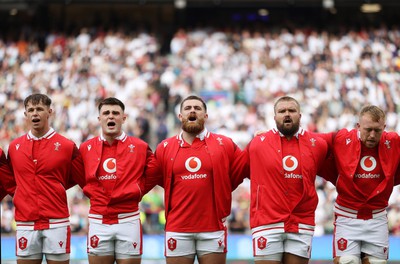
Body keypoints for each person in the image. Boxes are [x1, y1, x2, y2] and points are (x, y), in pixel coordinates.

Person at [145, 95, 246, 264]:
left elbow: (242, 170)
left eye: (198, 108)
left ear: (205, 116)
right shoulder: (165, 147)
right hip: (178, 228)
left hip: (213, 227)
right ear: (180, 116)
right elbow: (152, 178)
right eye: (188, 108)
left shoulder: (224, 144)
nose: (192, 111)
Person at [244, 96, 329, 264]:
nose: (287, 114)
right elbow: (242, 171)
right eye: (282, 111)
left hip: (301, 223)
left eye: (291, 110)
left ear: (300, 115)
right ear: (274, 117)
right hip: (267, 222)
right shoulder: (258, 144)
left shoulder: (317, 144)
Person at [7, 93, 85, 264]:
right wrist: (22, 195)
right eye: (31, 110)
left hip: (57, 220)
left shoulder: (66, 146)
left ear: (50, 112)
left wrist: (55, 188)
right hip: (26, 221)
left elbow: (78, 177)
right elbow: (11, 179)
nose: (35, 113)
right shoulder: (14, 147)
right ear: (25, 114)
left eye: (40, 109)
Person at [318, 105, 400, 264]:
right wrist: (271, 137)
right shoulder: (342, 139)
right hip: (347, 217)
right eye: (367, 129)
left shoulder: (394, 141)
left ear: (384, 127)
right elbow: (310, 140)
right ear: (358, 126)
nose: (372, 135)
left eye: (377, 130)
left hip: (378, 218)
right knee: (347, 261)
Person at [79, 97, 154, 264]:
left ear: (124, 118)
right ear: (99, 119)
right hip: (99, 220)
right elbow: (78, 176)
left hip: (129, 219)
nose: (110, 116)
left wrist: (138, 189)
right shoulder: (85, 148)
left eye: (115, 113)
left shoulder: (140, 147)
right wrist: (93, 192)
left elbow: (154, 173)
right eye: (106, 113)